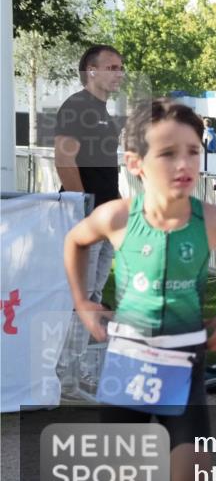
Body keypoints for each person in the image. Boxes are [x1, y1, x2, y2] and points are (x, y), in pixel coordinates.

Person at [63, 98, 216, 481]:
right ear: (136, 163)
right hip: (127, 368)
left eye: (193, 151)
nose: (185, 163)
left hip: (184, 368)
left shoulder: (213, 221)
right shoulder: (116, 217)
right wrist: (84, 304)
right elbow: (75, 241)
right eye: (168, 153)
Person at [55, 45, 125, 305]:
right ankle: (68, 346)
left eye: (121, 68)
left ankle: (83, 347)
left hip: (105, 216)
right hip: (85, 216)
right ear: (92, 71)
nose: (119, 74)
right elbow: (64, 161)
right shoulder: (77, 106)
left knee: (94, 293)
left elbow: (104, 169)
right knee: (78, 296)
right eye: (112, 68)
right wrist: (82, 208)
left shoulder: (103, 111)